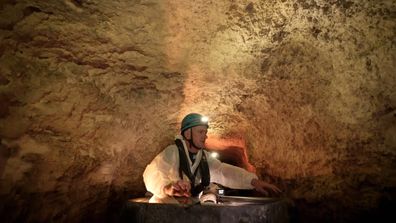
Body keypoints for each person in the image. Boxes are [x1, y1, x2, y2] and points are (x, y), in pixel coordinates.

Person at [143, 113, 281, 203]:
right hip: (165, 210)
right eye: (200, 132)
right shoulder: (172, 152)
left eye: (206, 132)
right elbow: (152, 172)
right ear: (187, 134)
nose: (205, 136)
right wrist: (167, 187)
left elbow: (222, 171)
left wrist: (252, 181)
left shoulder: (203, 158)